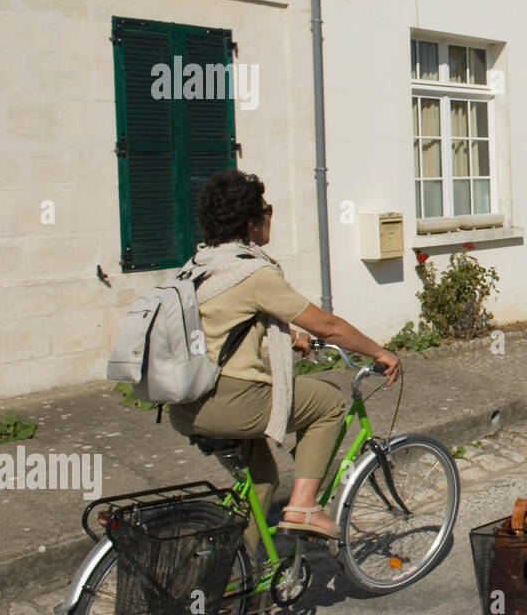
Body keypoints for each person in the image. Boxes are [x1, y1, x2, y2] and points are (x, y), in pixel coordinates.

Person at [170, 170, 401, 549]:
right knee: (329, 403)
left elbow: (223, 323)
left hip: (187, 405)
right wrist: (379, 352)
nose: (269, 216)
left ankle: (233, 579)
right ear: (251, 222)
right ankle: (304, 506)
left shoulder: (199, 265)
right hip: (232, 402)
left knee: (261, 480)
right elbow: (327, 325)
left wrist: (288, 336)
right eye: (267, 209)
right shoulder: (252, 271)